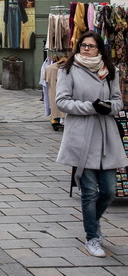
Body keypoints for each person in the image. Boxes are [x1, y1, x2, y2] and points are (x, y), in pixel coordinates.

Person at [55, 31, 128, 258]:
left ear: (99, 49)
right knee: (88, 192)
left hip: (106, 136)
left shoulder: (110, 71)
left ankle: (92, 223)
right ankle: (92, 237)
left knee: (109, 190)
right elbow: (62, 102)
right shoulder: (68, 70)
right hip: (82, 136)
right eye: (83, 45)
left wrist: (108, 107)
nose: (86, 49)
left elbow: (118, 101)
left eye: (91, 46)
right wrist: (91, 107)